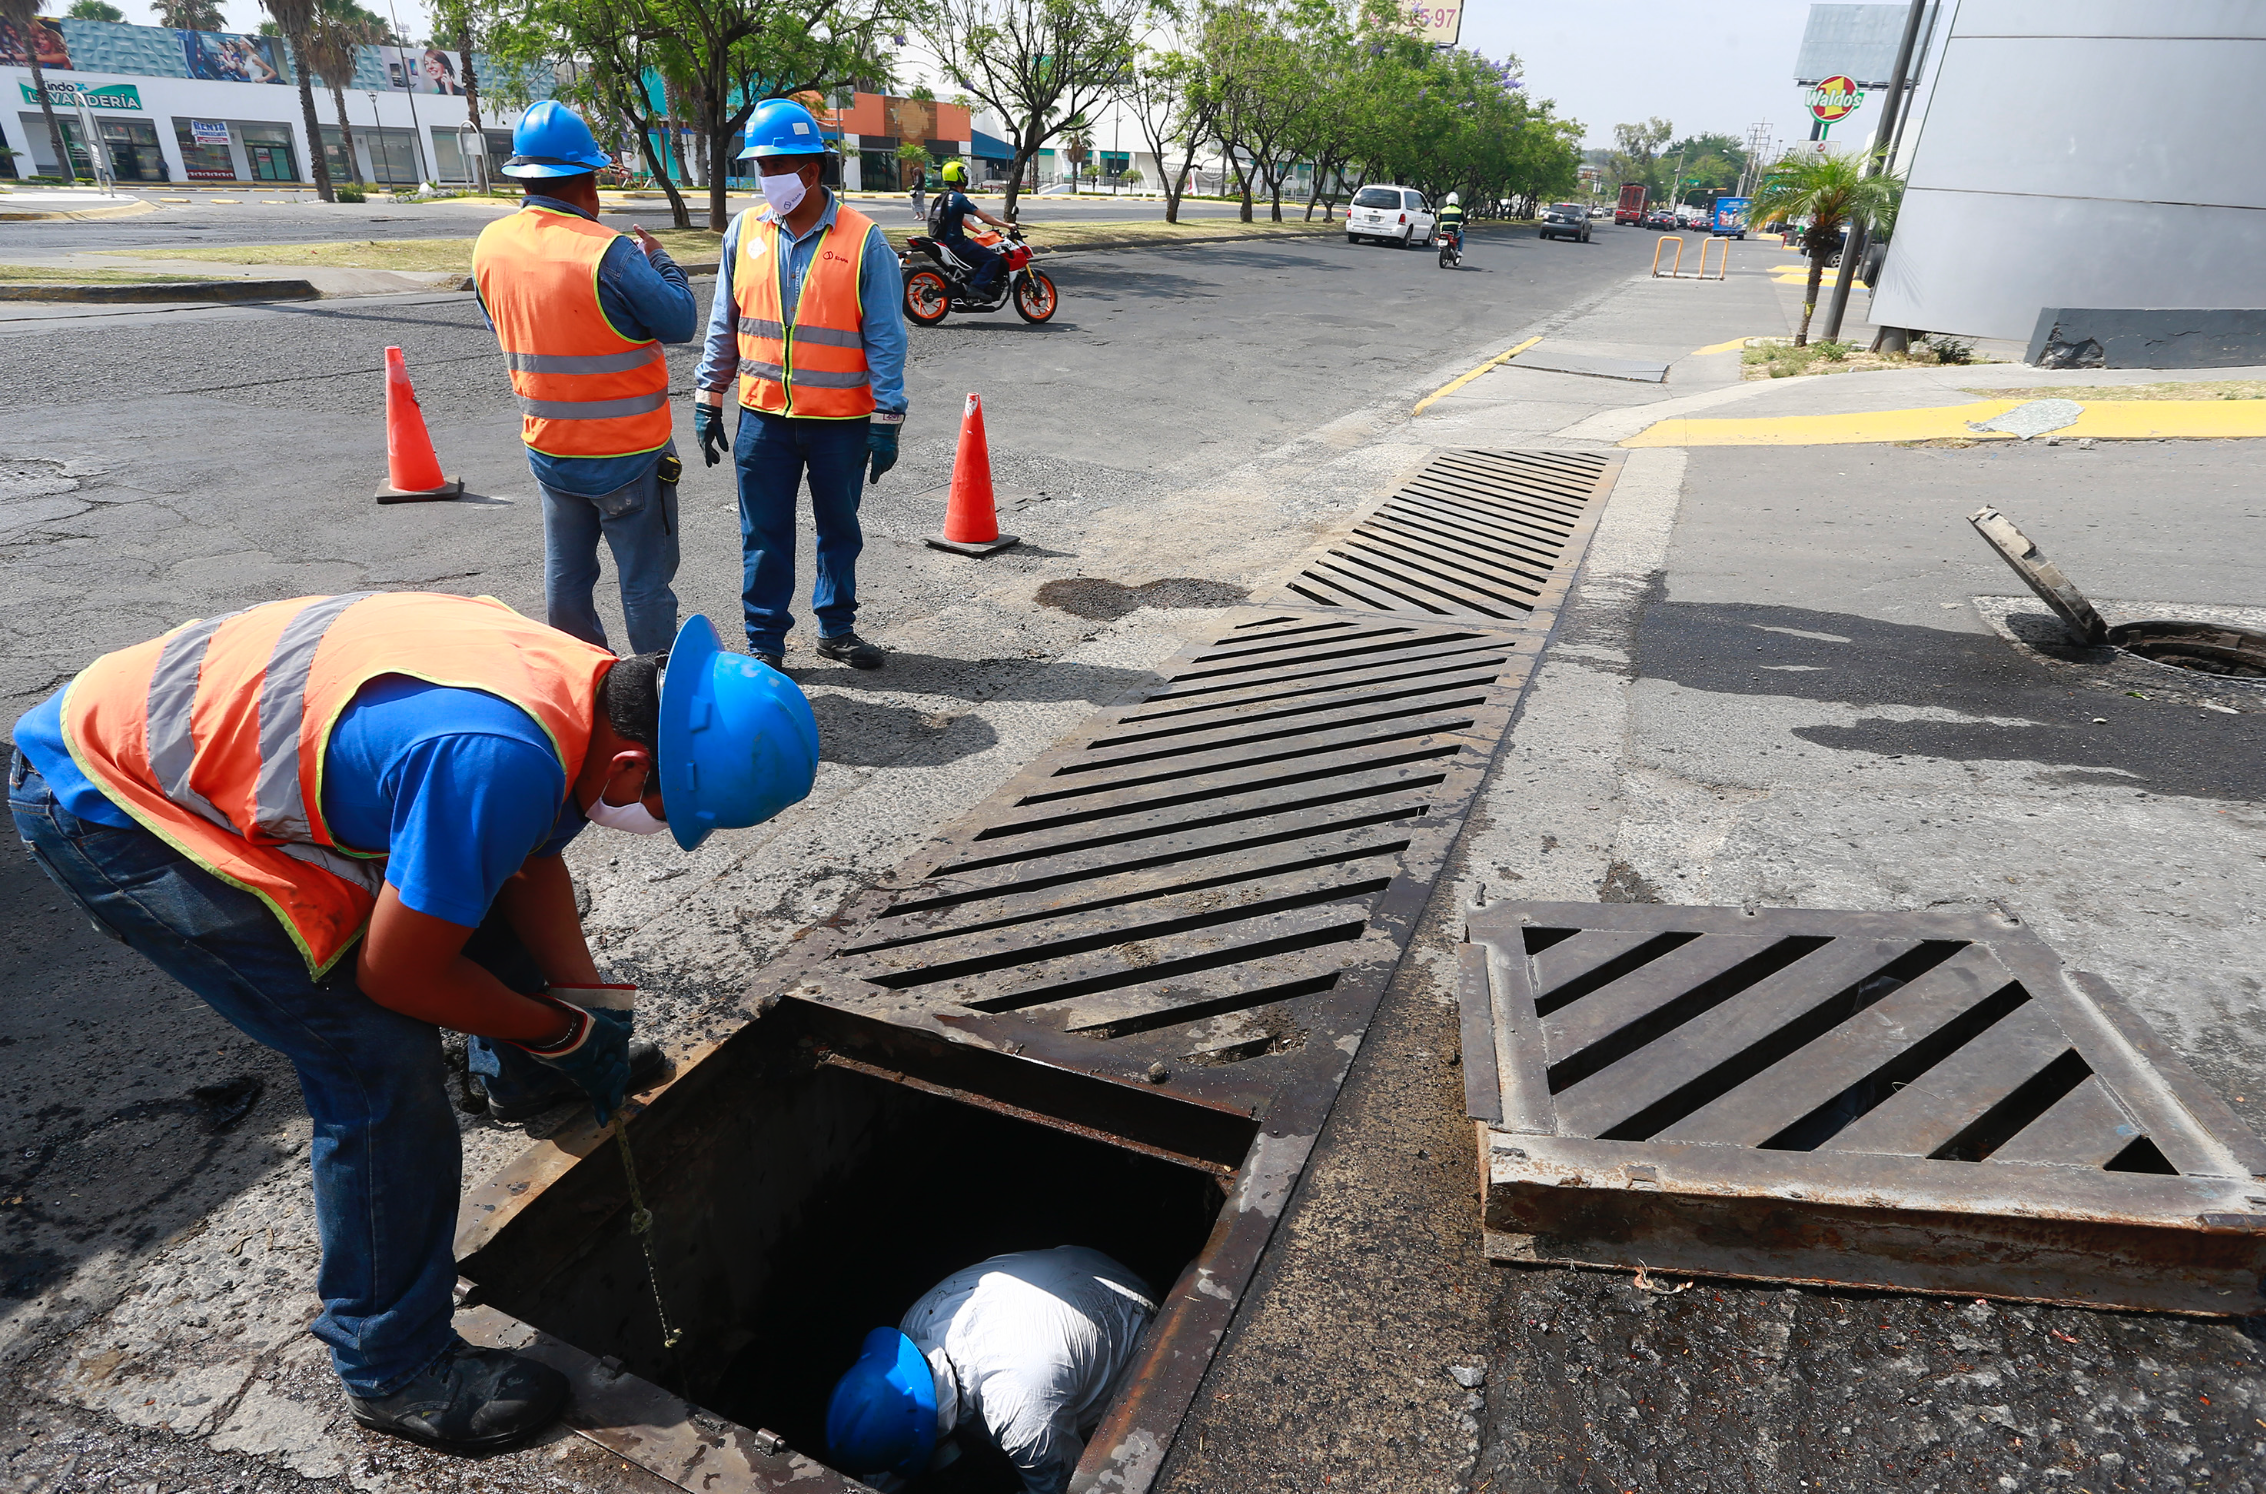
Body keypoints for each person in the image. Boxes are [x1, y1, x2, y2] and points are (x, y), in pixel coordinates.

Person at [9, 594, 819, 1455]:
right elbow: (396, 973)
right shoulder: (496, 754)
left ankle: (519, 1080)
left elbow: (525, 854)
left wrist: (584, 1009)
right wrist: (553, 1028)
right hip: (110, 800)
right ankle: (393, 1365)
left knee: (472, 885)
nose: (656, 826)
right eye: (666, 811)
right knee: (373, 1063)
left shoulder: (582, 686)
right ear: (628, 764)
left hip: (168, 728)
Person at [473, 100, 700, 658]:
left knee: (567, 580)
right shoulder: (609, 252)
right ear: (586, 181)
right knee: (644, 585)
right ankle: (651, 699)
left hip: (550, 449)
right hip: (626, 453)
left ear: (524, 176)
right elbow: (679, 322)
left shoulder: (490, 245)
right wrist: (662, 261)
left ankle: (580, 695)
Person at [692, 97, 908, 672]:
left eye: (771, 168)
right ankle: (765, 641)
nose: (762, 179)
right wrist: (709, 398)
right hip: (763, 419)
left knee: (840, 529)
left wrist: (886, 421)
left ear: (809, 172)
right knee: (763, 535)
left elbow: (887, 338)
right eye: (759, 168)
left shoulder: (865, 241)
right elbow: (725, 323)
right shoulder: (743, 233)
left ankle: (836, 629)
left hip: (840, 423)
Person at [825, 1247, 1158, 1494]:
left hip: (1137, 1325)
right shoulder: (914, 1324)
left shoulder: (1019, 1412)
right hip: (1085, 1271)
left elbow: (1061, 1485)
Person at [929, 159, 1013, 299]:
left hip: (943, 242)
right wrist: (1007, 225)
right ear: (960, 177)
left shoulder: (942, 197)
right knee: (992, 259)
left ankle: (967, 282)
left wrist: (978, 232)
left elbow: (958, 219)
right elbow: (984, 217)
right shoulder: (959, 198)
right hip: (957, 243)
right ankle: (977, 287)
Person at [1437, 190, 1465, 254]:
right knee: (1462, 233)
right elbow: (1464, 220)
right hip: (1454, 231)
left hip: (1443, 231)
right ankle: (1459, 251)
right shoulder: (1459, 210)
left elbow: (1440, 219)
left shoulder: (1443, 210)